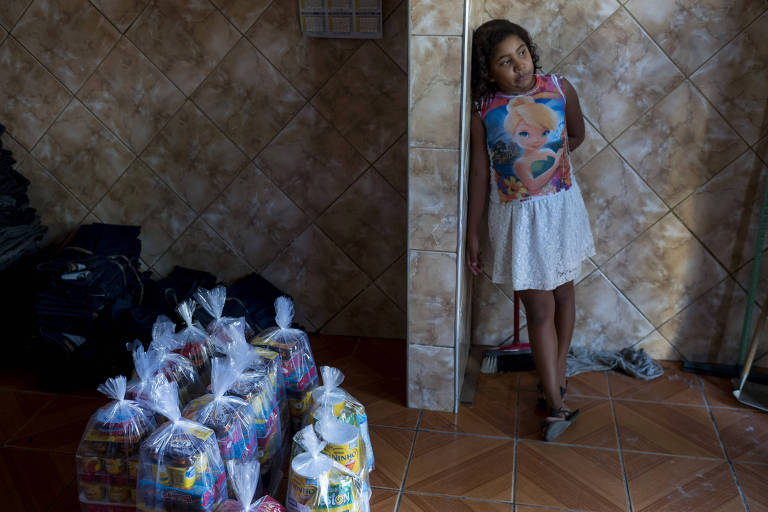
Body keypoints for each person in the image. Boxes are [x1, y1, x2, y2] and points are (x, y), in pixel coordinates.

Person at [467, 19, 595, 441]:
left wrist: (548, 161)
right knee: (540, 310)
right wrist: (473, 232)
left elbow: (575, 134)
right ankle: (557, 407)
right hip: (518, 221)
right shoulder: (483, 112)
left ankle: (551, 379)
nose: (519, 65)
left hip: (560, 210)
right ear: (489, 73)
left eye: (522, 52)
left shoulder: (560, 89)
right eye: (505, 61)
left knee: (565, 293)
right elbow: (480, 177)